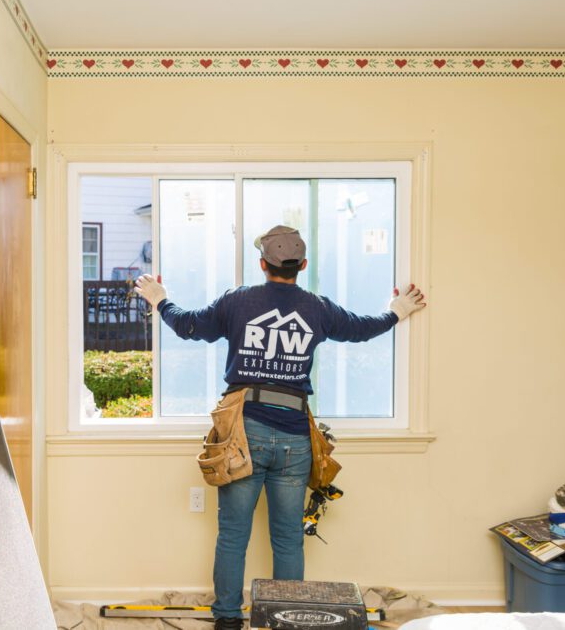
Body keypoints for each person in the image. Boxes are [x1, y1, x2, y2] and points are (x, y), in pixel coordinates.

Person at [134, 225, 426, 630]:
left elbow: (189, 326)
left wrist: (158, 299)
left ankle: (228, 621)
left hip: (243, 434)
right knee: (287, 537)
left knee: (233, 535)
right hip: (294, 435)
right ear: (301, 266)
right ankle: (288, 618)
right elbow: (360, 329)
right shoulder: (317, 308)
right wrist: (399, 309)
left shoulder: (239, 301)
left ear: (262, 264)